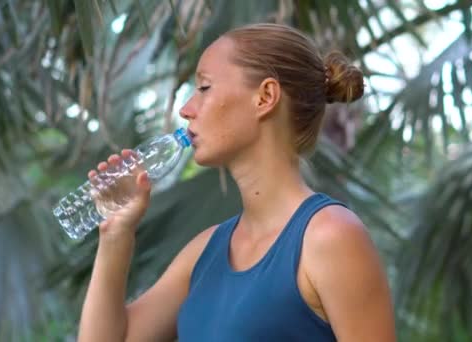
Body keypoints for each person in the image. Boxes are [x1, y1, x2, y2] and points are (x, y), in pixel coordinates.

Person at [78, 23, 396, 342]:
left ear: (265, 97)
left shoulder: (331, 237)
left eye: (204, 88)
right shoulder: (205, 251)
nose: (186, 110)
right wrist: (116, 234)